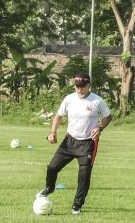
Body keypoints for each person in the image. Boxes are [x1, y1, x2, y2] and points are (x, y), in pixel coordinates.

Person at [36, 73, 113, 215]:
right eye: (77, 87)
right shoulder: (69, 99)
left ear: (89, 86)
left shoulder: (97, 101)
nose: (80, 89)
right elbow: (58, 116)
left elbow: (108, 116)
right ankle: (49, 188)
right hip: (69, 141)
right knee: (52, 167)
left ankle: (77, 205)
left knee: (84, 175)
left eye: (83, 87)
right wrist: (52, 133)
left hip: (88, 144)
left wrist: (100, 127)